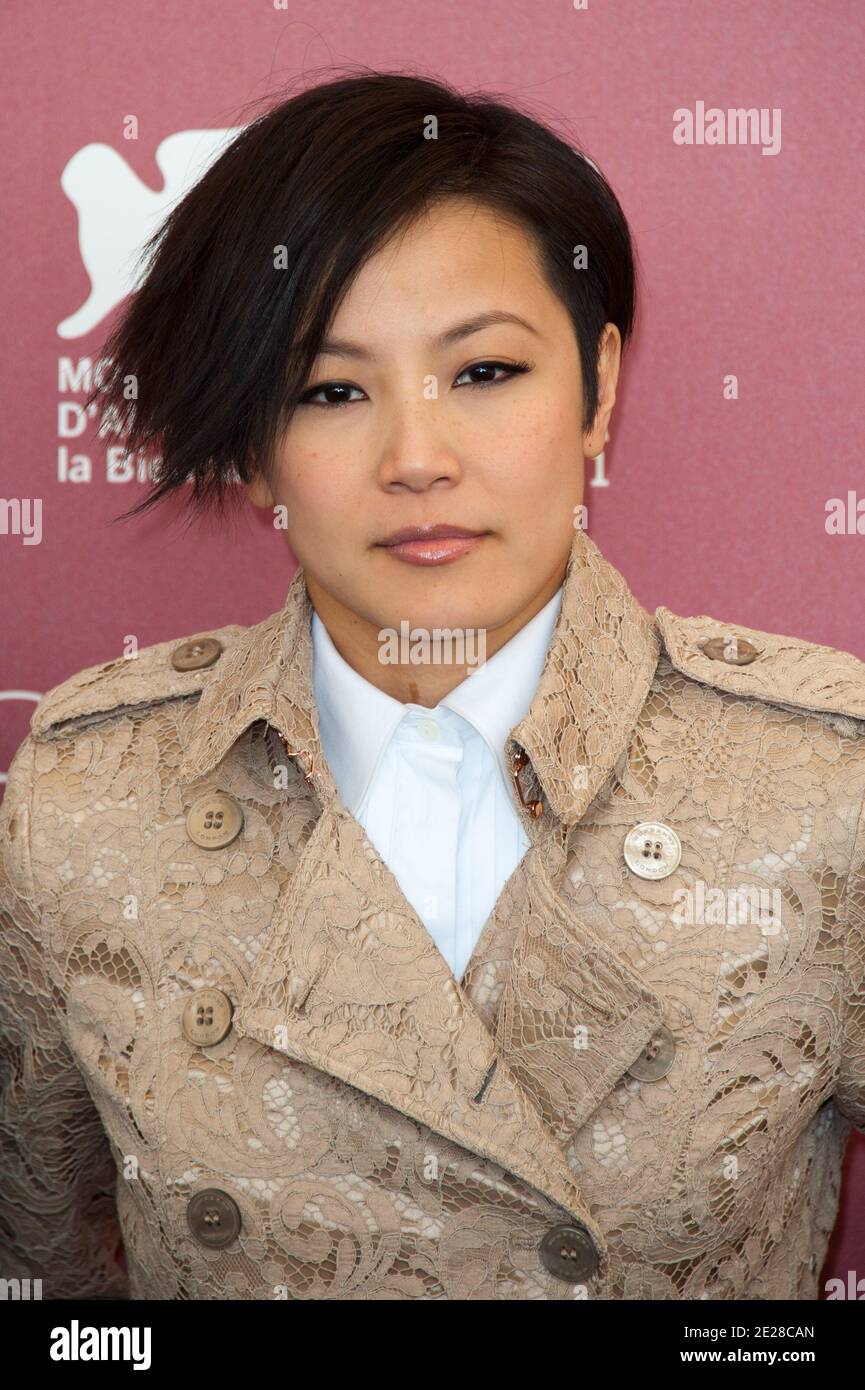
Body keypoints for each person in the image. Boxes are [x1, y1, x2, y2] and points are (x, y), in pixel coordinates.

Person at [1, 69, 864, 1302]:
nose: (417, 459)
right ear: (252, 451)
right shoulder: (83, 806)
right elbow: (46, 1277)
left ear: (600, 389)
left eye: (484, 373)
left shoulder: (825, 783)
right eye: (331, 390)